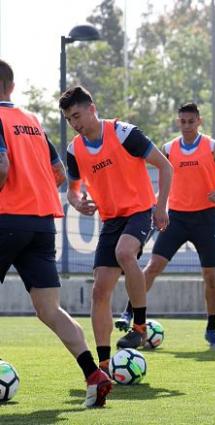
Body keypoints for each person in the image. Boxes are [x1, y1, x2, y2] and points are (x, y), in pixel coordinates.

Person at [0, 60, 111, 407]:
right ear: (12, 86)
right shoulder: (31, 121)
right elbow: (59, 173)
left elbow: (1, 167)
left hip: (6, 219)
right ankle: (94, 374)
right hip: (42, 223)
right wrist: (31, 188)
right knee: (50, 309)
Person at [61, 86, 173, 372]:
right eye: (69, 120)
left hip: (141, 211)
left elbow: (165, 166)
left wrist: (160, 207)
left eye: (77, 116)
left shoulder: (124, 134)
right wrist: (77, 203)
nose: (75, 124)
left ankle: (139, 324)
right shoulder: (74, 150)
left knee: (125, 253)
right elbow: (73, 190)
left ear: (92, 108)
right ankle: (103, 364)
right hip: (111, 220)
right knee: (100, 291)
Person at [114, 103, 215, 347]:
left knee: (210, 276)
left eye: (191, 121)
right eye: (183, 121)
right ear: (178, 122)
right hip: (177, 218)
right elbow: (150, 169)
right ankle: (129, 312)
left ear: (199, 121)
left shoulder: (213, 147)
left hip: (205, 218)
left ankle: (211, 328)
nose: (187, 125)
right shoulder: (169, 149)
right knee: (152, 267)